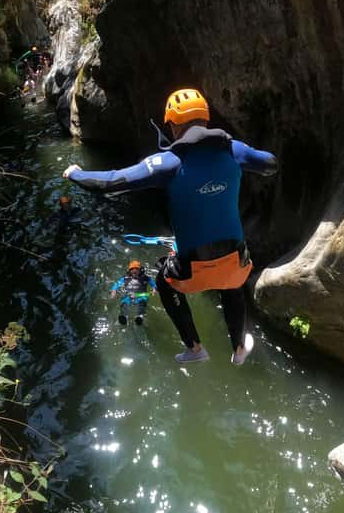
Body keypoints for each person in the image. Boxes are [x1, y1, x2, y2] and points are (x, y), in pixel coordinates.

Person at [62, 88, 278, 364]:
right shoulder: (233, 151)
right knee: (232, 282)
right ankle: (238, 350)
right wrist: (239, 153)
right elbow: (270, 164)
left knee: (164, 280)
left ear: (174, 126)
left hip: (190, 274)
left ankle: (195, 348)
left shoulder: (168, 162)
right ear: (205, 119)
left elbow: (111, 183)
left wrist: (76, 174)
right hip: (236, 266)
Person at [110, 261, 156, 326]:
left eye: (136, 269)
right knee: (124, 302)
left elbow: (153, 285)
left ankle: (140, 316)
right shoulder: (125, 279)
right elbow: (116, 284)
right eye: (132, 269)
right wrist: (114, 291)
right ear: (129, 271)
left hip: (141, 295)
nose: (134, 271)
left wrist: (154, 289)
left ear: (140, 270)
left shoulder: (146, 278)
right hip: (128, 295)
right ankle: (124, 316)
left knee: (142, 303)